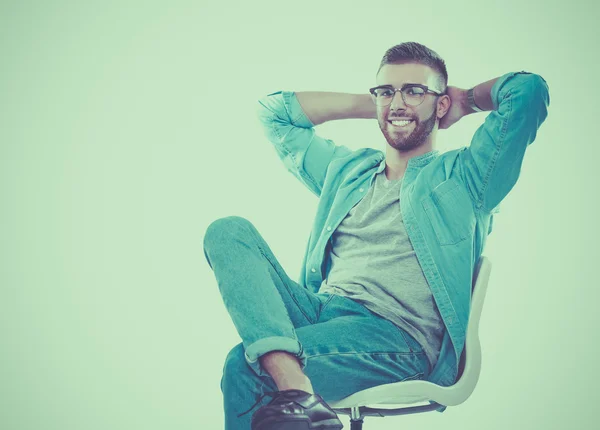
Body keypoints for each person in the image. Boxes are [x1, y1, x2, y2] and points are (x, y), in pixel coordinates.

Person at [203, 41, 550, 430]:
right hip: (322, 310)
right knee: (228, 231)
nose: (398, 102)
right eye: (387, 91)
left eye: (415, 90)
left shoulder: (466, 179)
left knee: (245, 365)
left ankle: (295, 391)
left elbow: (528, 92)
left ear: (439, 104)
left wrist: (465, 101)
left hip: (397, 336)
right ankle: (299, 390)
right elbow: (273, 113)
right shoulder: (347, 171)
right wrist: (382, 107)